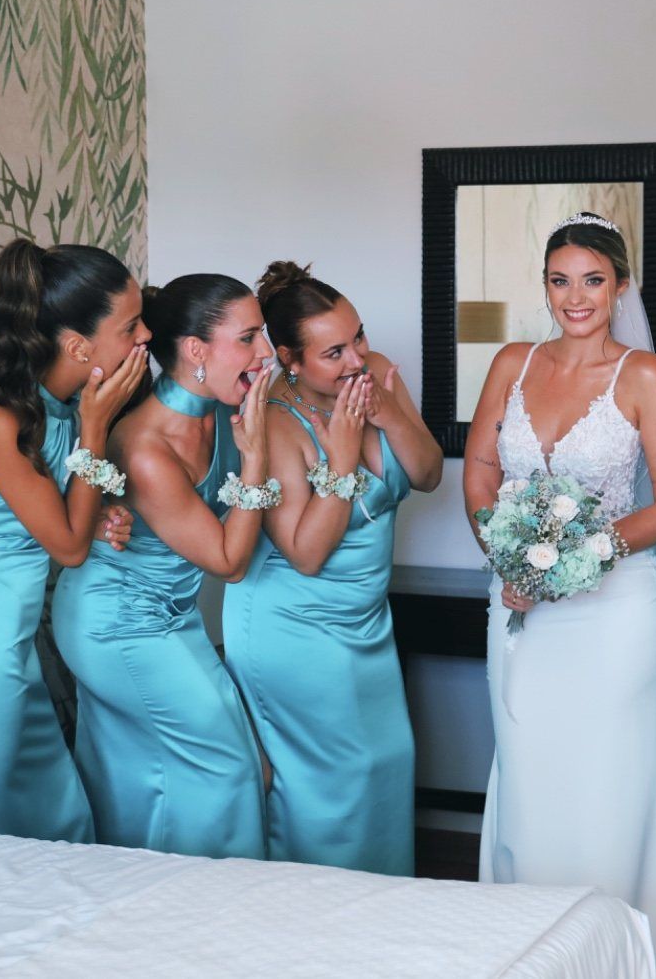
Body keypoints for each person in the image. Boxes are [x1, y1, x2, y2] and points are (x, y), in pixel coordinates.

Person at [463, 212, 656, 979]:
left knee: (609, 790)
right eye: (560, 281)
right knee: (529, 776)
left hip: (617, 611)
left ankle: (619, 958)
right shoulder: (512, 363)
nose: (576, 297)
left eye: (593, 281)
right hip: (518, 602)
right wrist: (508, 557)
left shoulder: (644, 375)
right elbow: (481, 472)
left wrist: (575, 559)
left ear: (620, 286)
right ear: (544, 285)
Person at [0, 238, 148, 841]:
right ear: (78, 346)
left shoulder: (57, 411)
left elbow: (64, 518)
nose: (145, 337)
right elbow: (68, 547)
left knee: (53, 820)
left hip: (12, 649)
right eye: (131, 326)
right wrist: (96, 429)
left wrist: (103, 513)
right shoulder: (0, 422)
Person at [222, 261, 442, 875]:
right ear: (289, 360)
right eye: (334, 352)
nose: (356, 359)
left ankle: (376, 921)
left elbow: (427, 474)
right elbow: (305, 553)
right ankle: (306, 919)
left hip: (366, 623)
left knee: (384, 767)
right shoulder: (274, 421)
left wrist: (389, 414)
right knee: (329, 789)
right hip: (295, 627)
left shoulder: (376, 375)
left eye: (359, 336)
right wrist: (342, 459)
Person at [52, 273, 276, 859]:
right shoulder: (147, 447)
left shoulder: (223, 413)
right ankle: (216, 901)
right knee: (231, 766)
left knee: (167, 772)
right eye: (248, 338)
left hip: (173, 617)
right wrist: (255, 460)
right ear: (196, 350)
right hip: (115, 622)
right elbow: (229, 561)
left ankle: (149, 896)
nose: (265, 352)